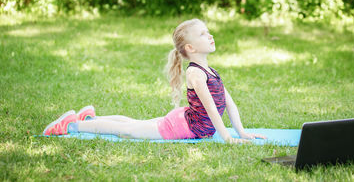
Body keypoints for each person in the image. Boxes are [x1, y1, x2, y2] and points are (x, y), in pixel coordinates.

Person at [43, 18, 266, 144]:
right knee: (129, 131)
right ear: (190, 48)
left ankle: (91, 117)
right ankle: (72, 125)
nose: (210, 36)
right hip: (182, 126)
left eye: (208, 32)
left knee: (133, 124)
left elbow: (229, 104)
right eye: (202, 34)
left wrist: (242, 132)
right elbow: (211, 109)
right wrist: (227, 137)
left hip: (185, 120)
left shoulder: (211, 71)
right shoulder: (196, 73)